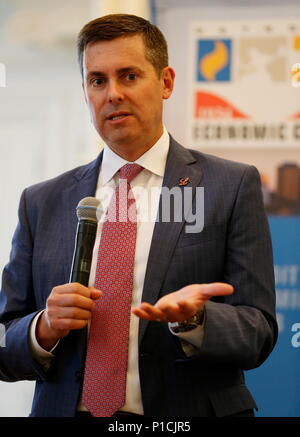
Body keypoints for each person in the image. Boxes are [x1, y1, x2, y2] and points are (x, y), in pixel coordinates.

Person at [0, 14, 277, 417]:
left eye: (129, 76)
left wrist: (195, 320)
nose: (112, 93)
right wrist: (43, 327)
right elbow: (5, 342)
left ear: (165, 82)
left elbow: (259, 331)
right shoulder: (41, 202)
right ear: (86, 91)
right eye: (98, 80)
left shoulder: (229, 186)